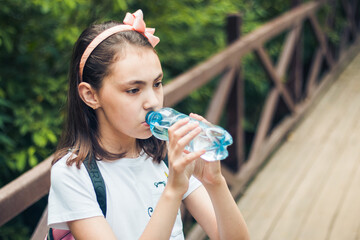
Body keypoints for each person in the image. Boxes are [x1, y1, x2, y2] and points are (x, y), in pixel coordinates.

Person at [47, 9, 249, 240]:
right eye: (133, 90)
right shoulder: (73, 173)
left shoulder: (166, 153)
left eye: (157, 83)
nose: (153, 102)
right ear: (91, 95)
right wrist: (172, 190)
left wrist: (215, 182)